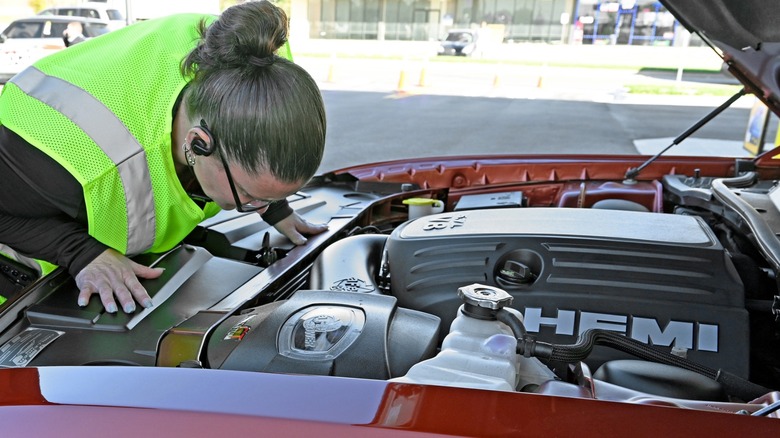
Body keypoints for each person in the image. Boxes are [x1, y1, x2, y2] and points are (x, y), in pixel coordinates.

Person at [0, 1, 328, 313]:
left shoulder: (258, 62)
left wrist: (275, 202)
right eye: (248, 195)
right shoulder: (75, 154)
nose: (255, 205)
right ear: (199, 144)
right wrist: (80, 252)